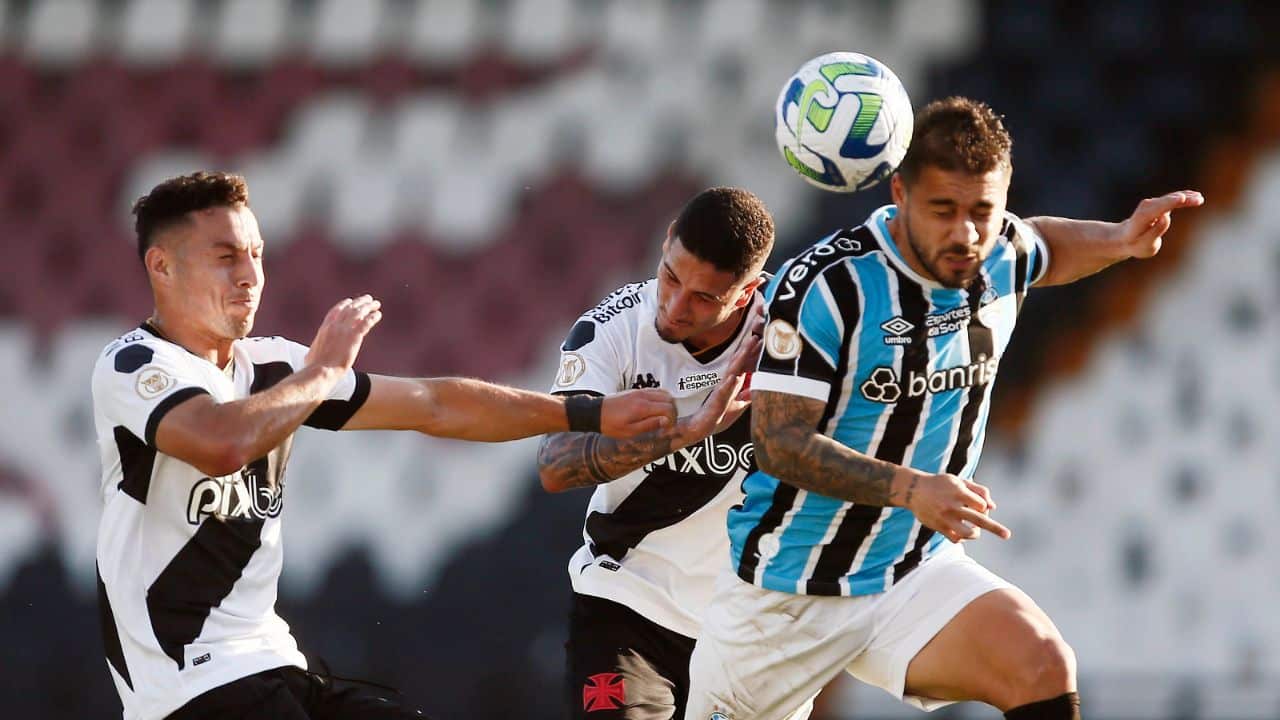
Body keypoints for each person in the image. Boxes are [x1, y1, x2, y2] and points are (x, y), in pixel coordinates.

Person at [683, 97, 1204, 720]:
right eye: (944, 211)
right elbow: (779, 442)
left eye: (983, 211)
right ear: (899, 193)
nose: (966, 233)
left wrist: (1119, 240)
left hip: (909, 569)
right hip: (786, 591)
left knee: (1040, 663)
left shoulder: (999, 251)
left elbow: (1046, 246)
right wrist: (910, 489)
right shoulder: (827, 285)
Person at [91, 171, 677, 720]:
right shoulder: (134, 365)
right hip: (186, 689)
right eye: (225, 258)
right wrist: (320, 373)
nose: (249, 274)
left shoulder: (275, 367)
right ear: (162, 266)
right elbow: (221, 443)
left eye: (256, 254)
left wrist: (591, 412)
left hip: (271, 664)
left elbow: (435, 404)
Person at [537, 187, 812, 720]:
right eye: (670, 277)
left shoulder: (798, 330)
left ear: (749, 290)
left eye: (705, 297)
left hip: (755, 628)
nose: (675, 306)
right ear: (666, 243)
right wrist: (686, 431)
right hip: (627, 603)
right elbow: (554, 462)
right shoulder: (612, 331)